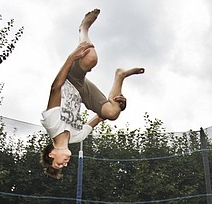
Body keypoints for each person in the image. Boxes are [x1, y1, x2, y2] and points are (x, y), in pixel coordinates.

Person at [40, 9, 144, 179]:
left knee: (90, 58)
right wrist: (119, 106)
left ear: (52, 154)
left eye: (59, 164)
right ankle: (120, 75)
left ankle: (83, 28)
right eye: (63, 166)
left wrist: (72, 56)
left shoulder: (52, 125)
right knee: (112, 113)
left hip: (68, 80)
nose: (65, 163)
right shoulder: (77, 136)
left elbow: (55, 88)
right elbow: (101, 117)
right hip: (82, 93)